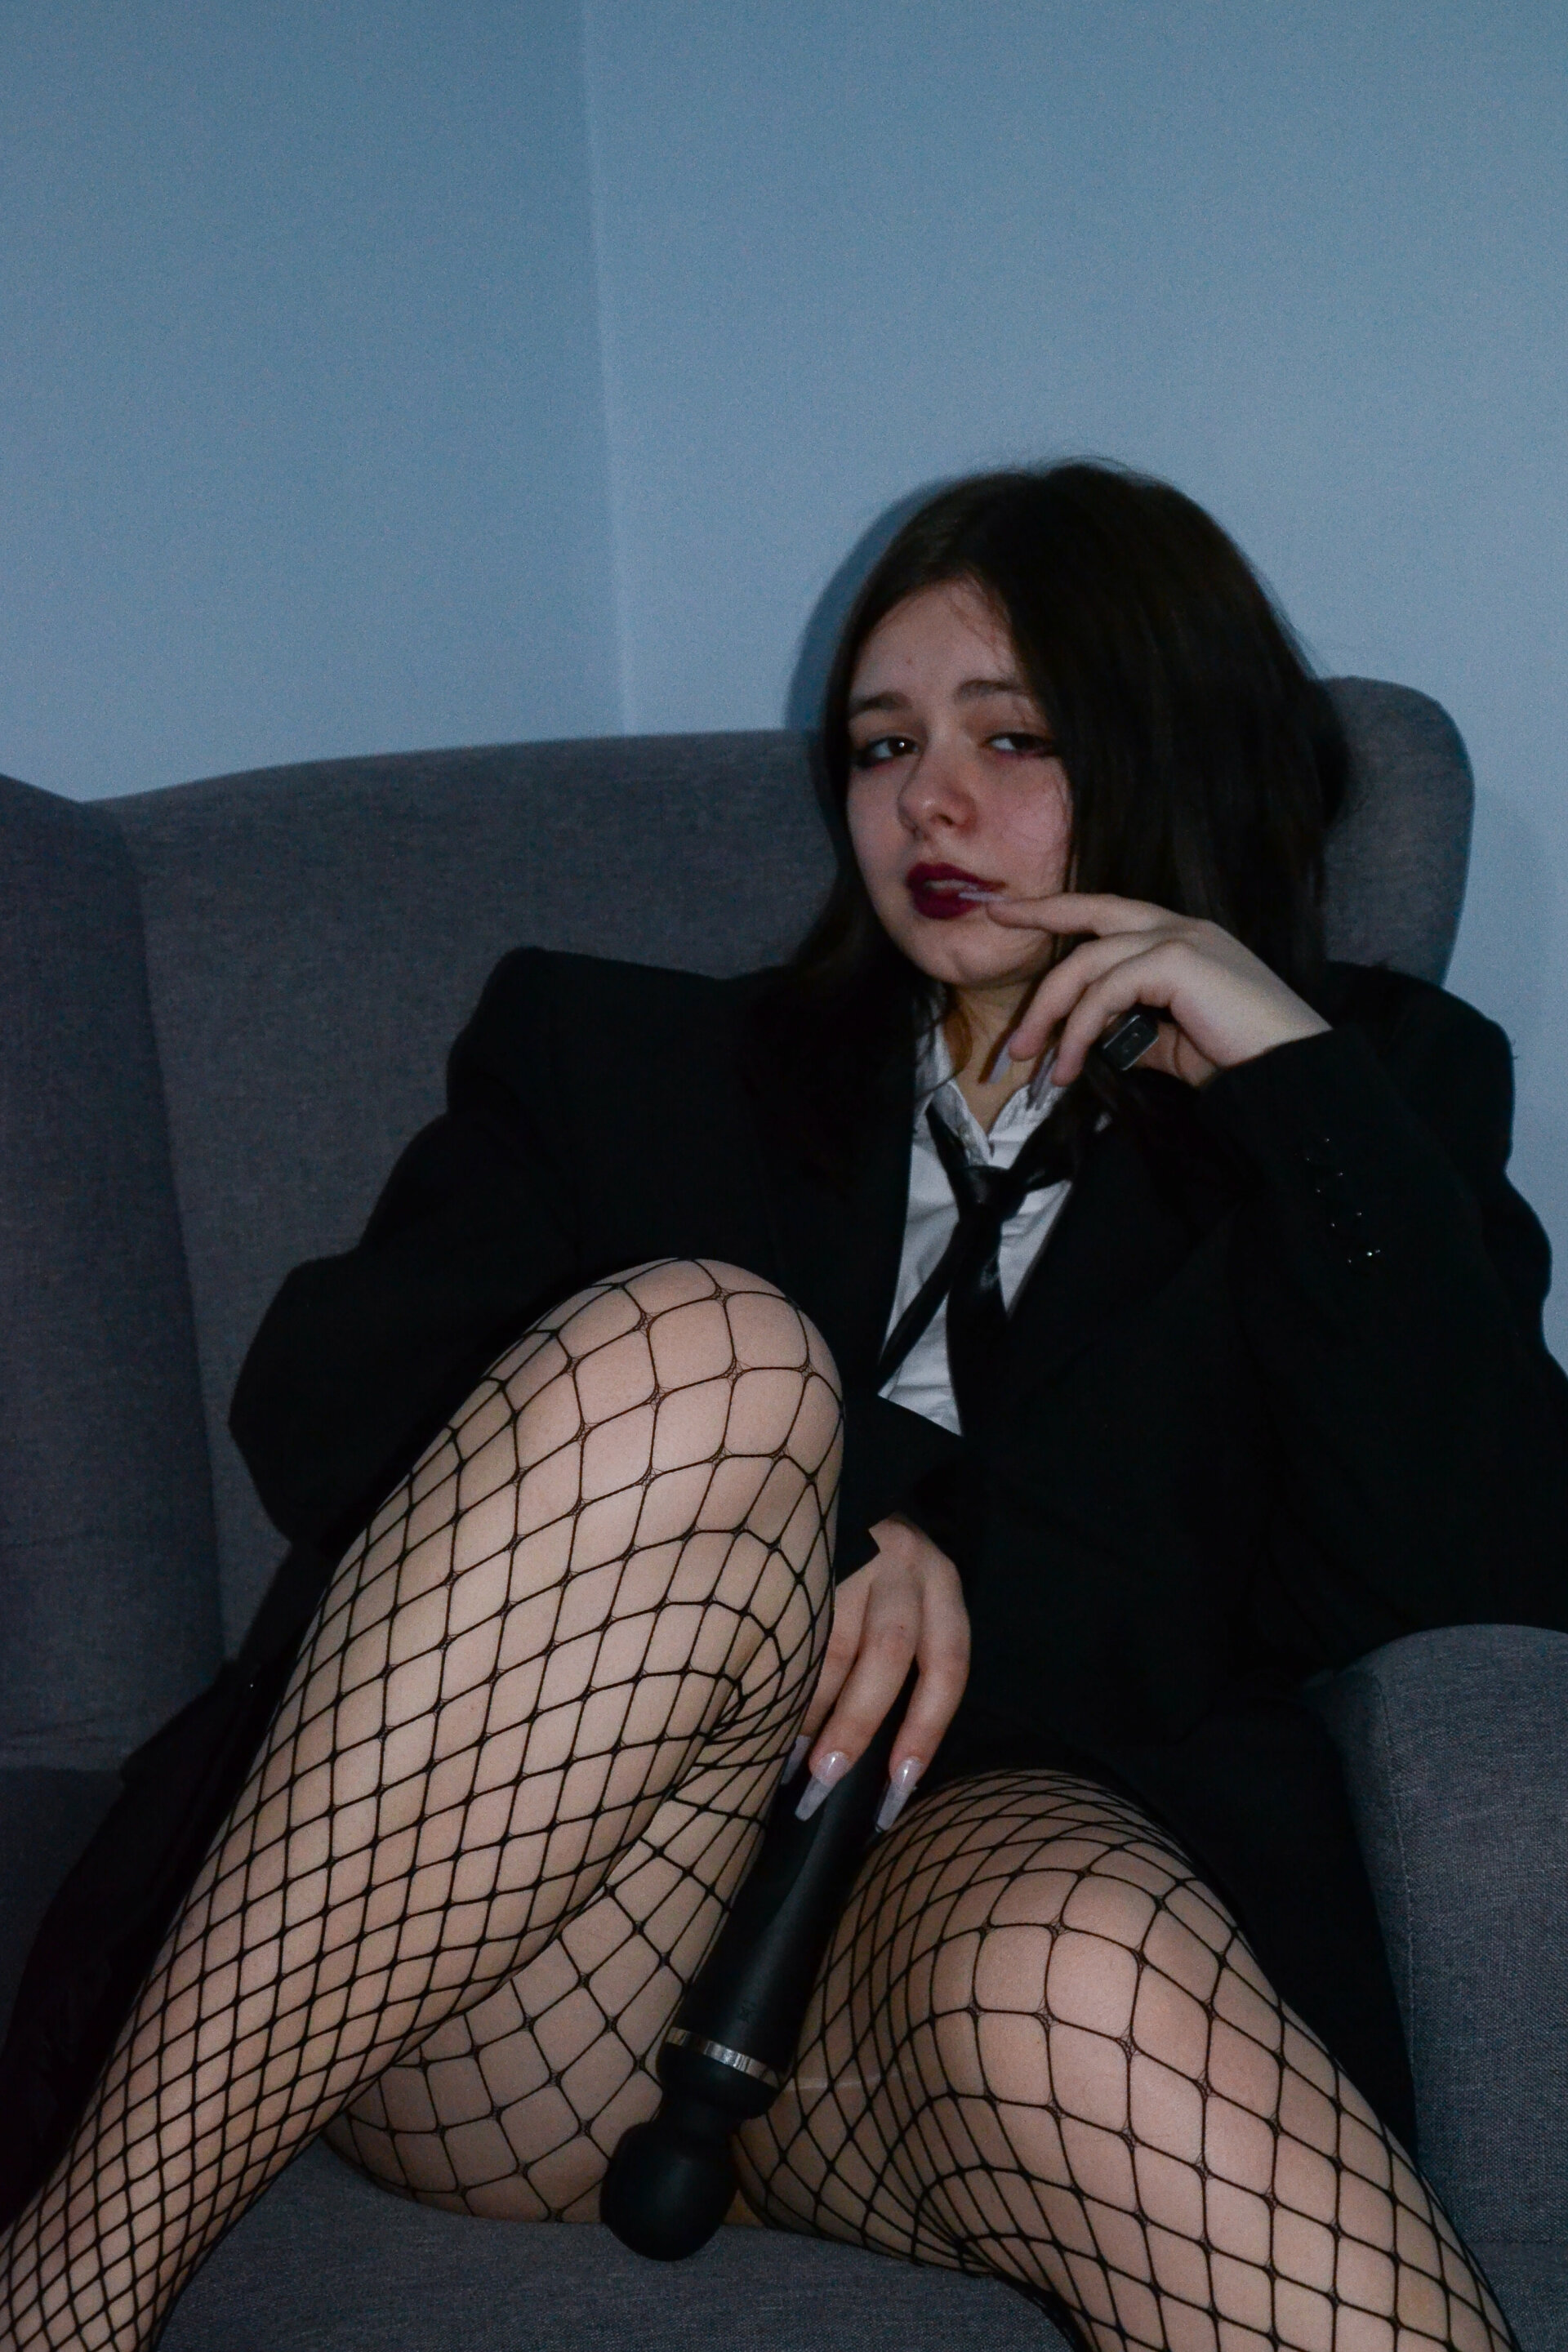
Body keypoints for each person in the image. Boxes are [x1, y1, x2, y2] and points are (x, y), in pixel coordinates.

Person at [3, 463, 1564, 2352]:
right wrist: (832, 1511)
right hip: (532, 1955)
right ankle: (64, 2301)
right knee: (715, 1353)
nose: (929, 802)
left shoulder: (1361, 1113)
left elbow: (1477, 1566)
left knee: (1076, 1949)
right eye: (885, 744)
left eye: (1013, 736)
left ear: (1178, 747)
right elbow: (332, 1396)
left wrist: (1292, 1087)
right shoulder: (627, 1062)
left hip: (953, 1983)